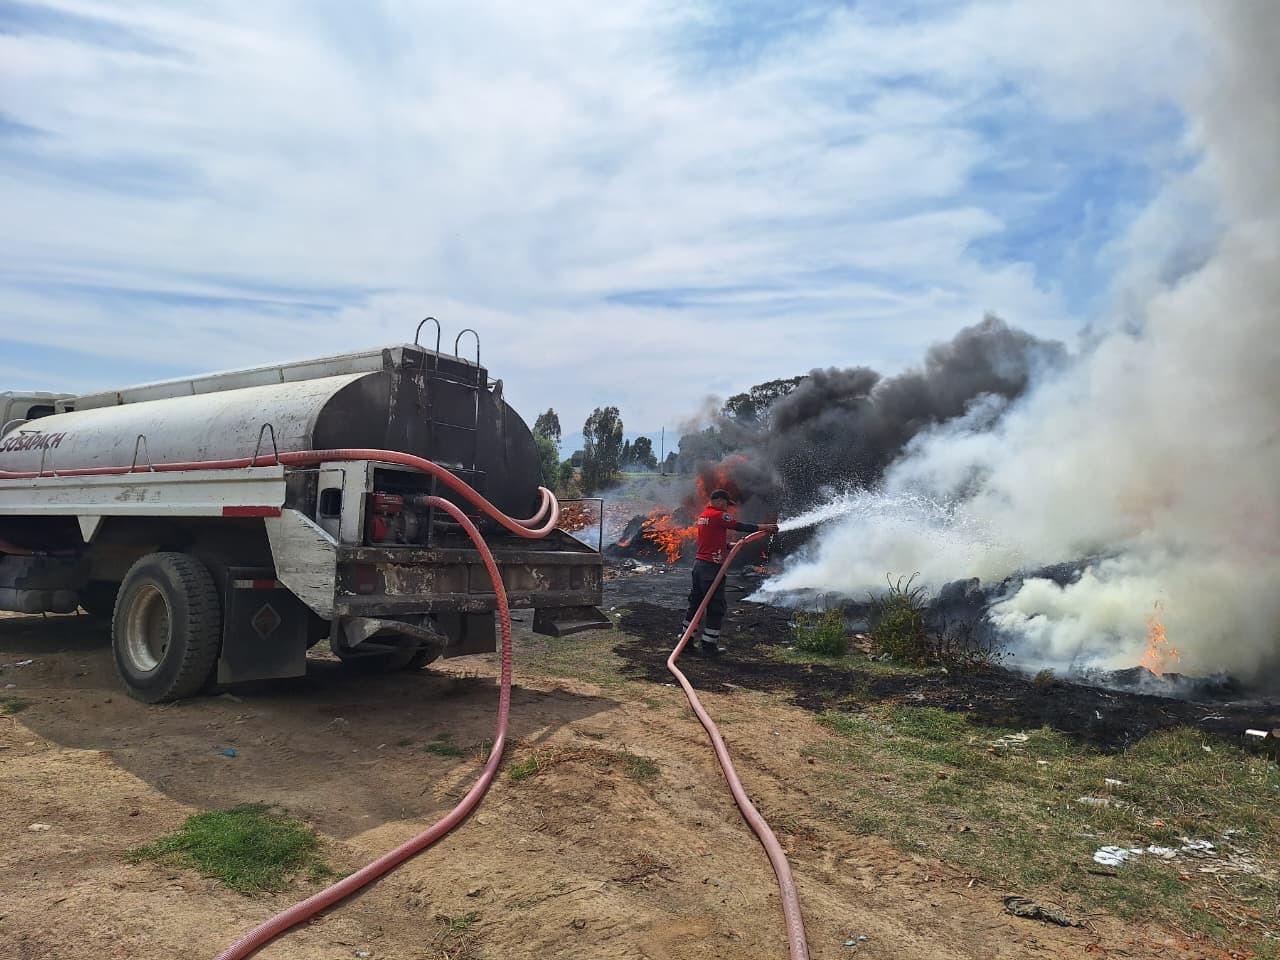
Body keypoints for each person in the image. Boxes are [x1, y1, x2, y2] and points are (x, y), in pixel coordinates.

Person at [681, 489, 778, 656]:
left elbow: (708, 540)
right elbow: (739, 526)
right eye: (726, 503)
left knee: (696, 603)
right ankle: (709, 646)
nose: (727, 508)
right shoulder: (719, 515)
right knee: (716, 607)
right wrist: (764, 527)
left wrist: (728, 546)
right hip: (711, 568)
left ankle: (686, 640)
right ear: (718, 500)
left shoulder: (704, 516)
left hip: (700, 566)